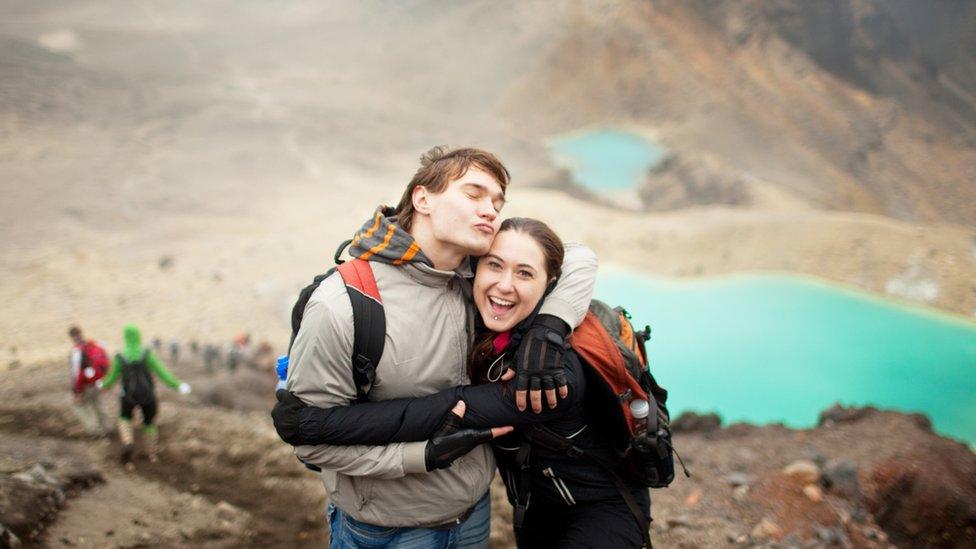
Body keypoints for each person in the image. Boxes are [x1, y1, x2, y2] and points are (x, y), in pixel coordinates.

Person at [285, 147, 598, 548]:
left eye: (497, 202)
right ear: (422, 198)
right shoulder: (343, 305)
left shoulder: (474, 275)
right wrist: (422, 456)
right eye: (474, 194)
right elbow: (311, 439)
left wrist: (548, 329)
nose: (490, 210)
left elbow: (576, 257)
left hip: (471, 512)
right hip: (387, 529)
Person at [99, 324, 192, 467]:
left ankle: (128, 442)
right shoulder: (147, 354)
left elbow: (111, 378)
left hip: (128, 397)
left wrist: (102, 384)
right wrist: (178, 385)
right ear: (138, 336)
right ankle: (151, 453)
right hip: (148, 396)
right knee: (149, 423)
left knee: (124, 419)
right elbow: (163, 373)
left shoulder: (120, 357)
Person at [67, 326, 111, 437]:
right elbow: (106, 362)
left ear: (72, 337)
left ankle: (94, 430)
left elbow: (77, 375)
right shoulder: (94, 345)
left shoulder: (76, 351)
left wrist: (77, 392)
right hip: (99, 382)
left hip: (86, 384)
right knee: (98, 403)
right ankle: (108, 427)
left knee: (79, 406)